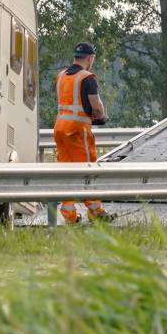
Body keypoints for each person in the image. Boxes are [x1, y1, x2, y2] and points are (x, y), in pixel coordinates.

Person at [52, 42, 113, 224]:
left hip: (60, 129)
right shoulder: (87, 78)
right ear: (90, 58)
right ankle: (96, 212)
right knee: (88, 170)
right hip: (77, 131)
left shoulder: (61, 76)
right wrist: (101, 116)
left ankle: (69, 215)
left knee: (67, 171)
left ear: (75, 56)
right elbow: (96, 106)